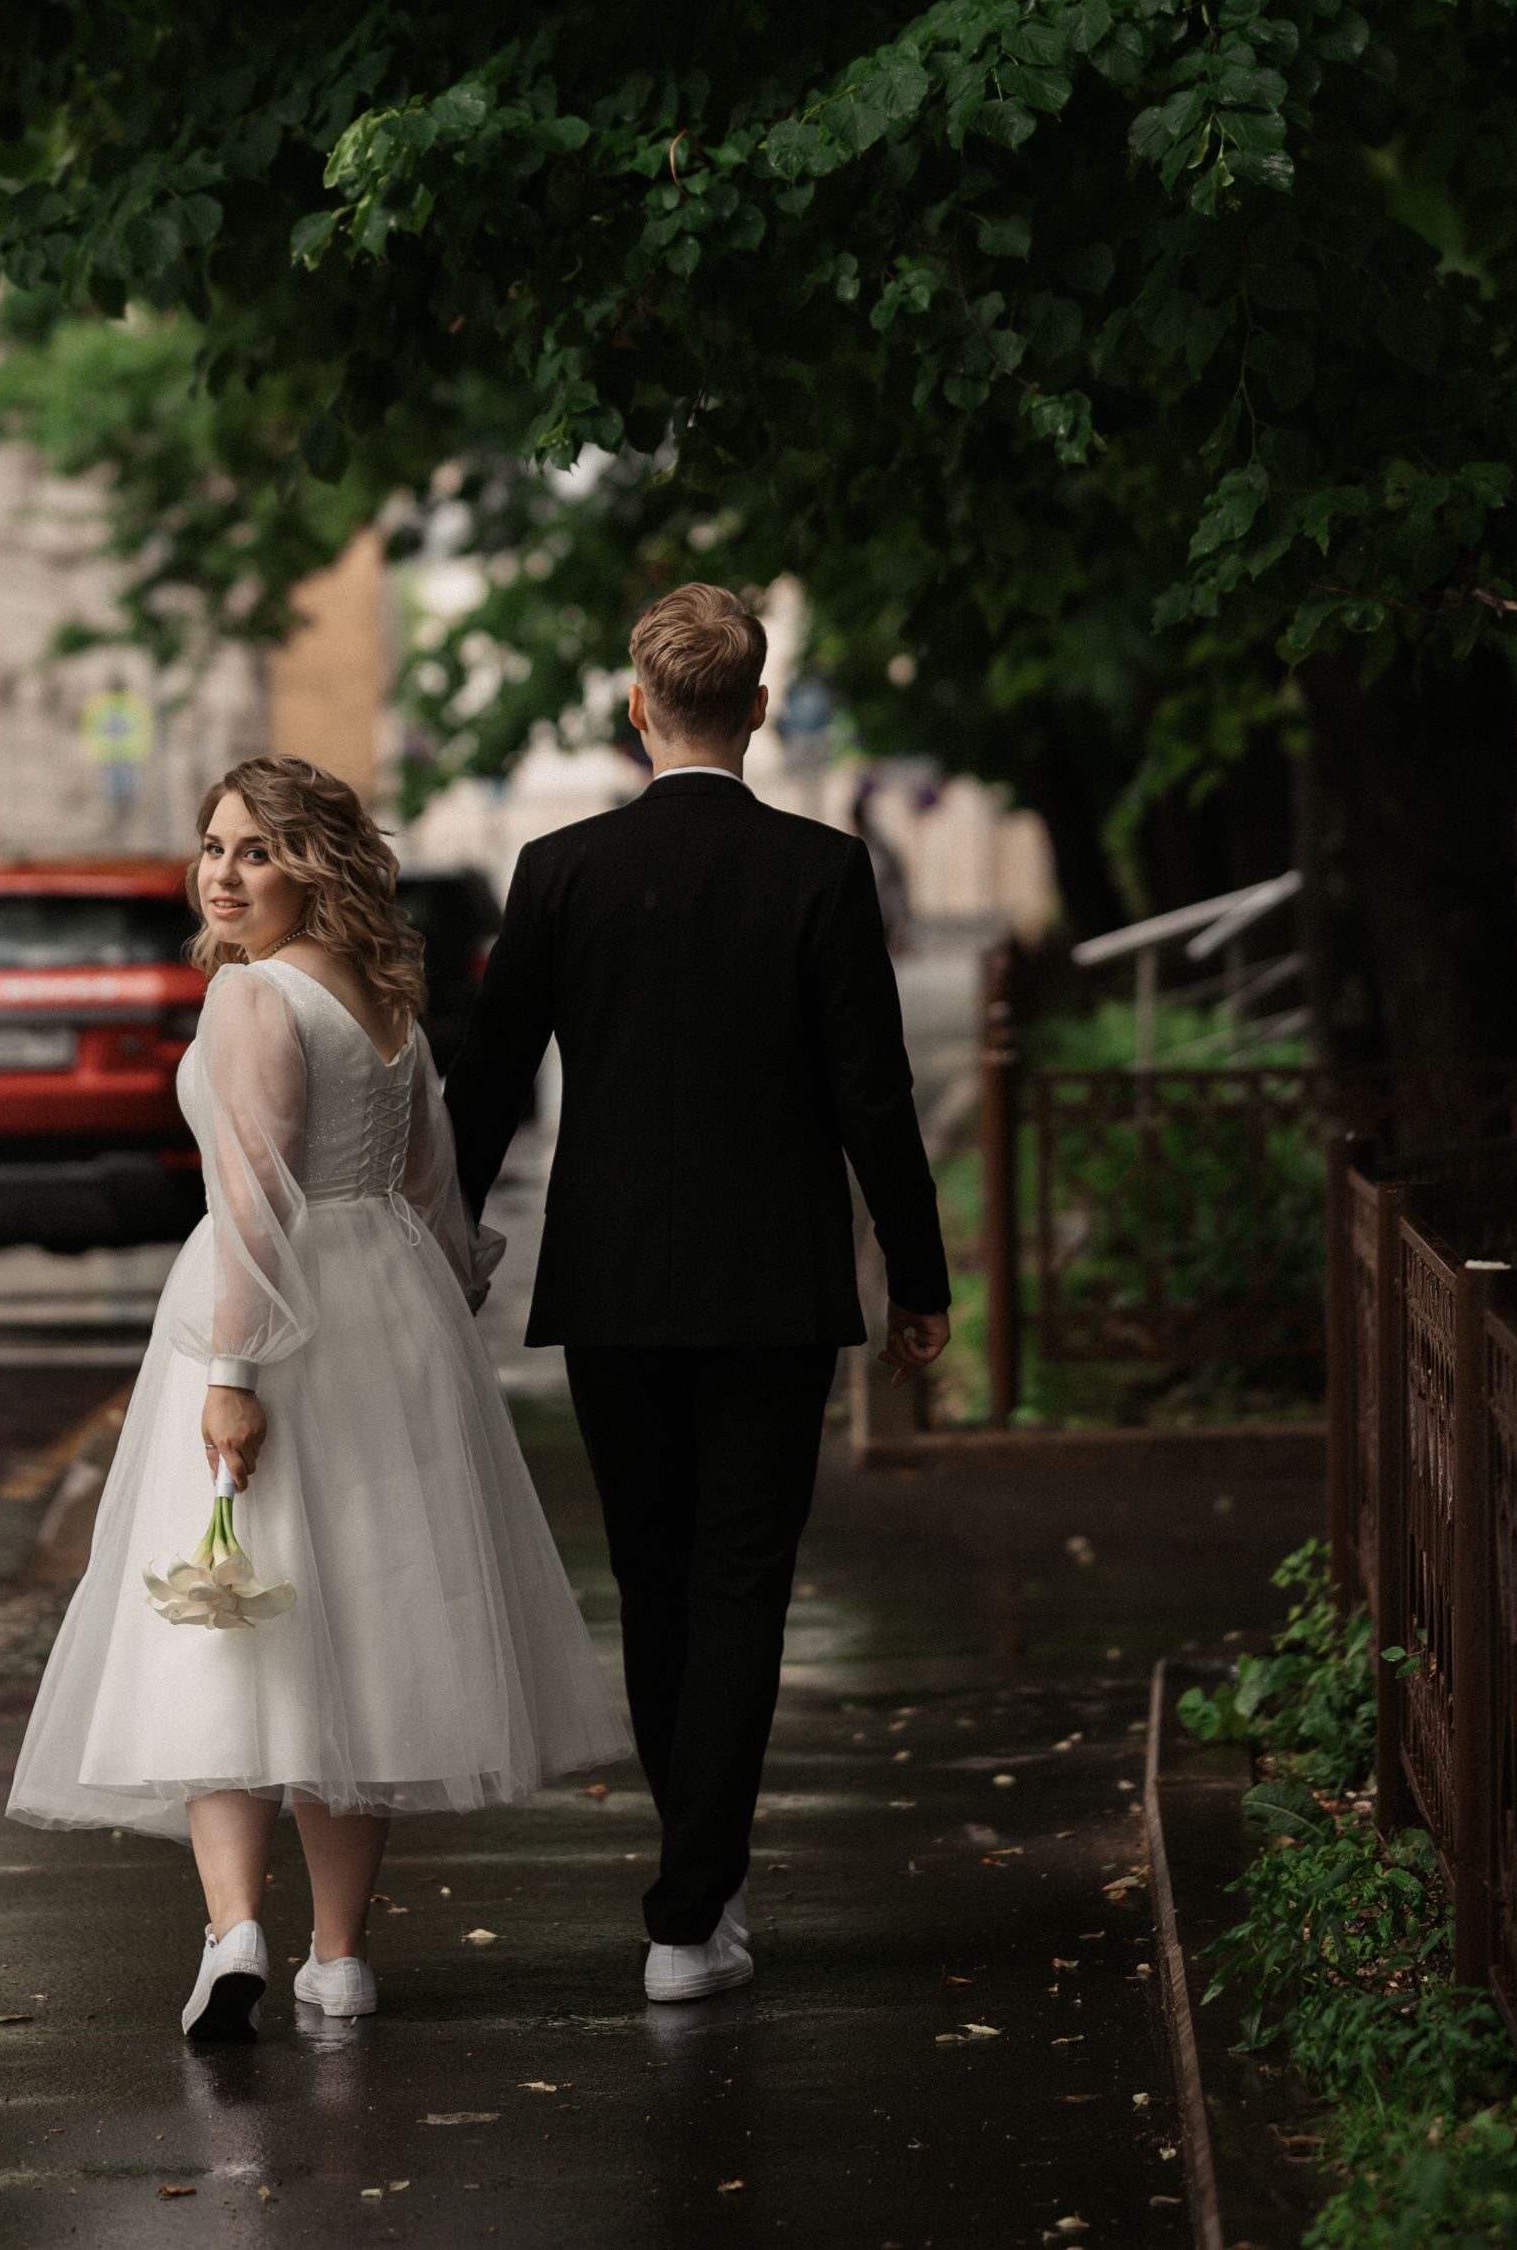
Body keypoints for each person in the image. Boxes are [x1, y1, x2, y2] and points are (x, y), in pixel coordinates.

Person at [8, 756, 626, 2040]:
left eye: (255, 850)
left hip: (270, 1320)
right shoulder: (383, 997)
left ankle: (235, 1925)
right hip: (384, 1312)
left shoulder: (251, 999)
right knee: (368, 1623)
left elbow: (253, 1203)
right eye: (214, 847)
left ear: (313, 864)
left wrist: (230, 1377)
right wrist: (443, 1303)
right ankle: (337, 1960)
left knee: (229, 1619)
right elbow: (428, 1183)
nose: (223, 873)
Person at [445, 584, 952, 2003]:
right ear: (761, 709)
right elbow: (874, 1094)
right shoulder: (820, 872)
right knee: (740, 1587)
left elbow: (486, 1087)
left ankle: (695, 1891)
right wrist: (920, 1281)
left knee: (659, 1586)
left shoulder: (556, 871)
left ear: (636, 707)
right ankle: (691, 1917)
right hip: (774, 1295)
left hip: (609, 1288)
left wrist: (438, 1242)